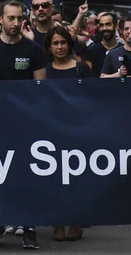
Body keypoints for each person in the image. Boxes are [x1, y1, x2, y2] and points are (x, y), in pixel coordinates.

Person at [0, 0, 45, 250]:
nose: (15, 23)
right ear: (0, 20)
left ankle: (29, 227)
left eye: (18, 18)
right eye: (10, 18)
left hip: (25, 124)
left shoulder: (34, 49)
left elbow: (41, 90)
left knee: (26, 176)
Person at [43, 26, 91, 241]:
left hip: (78, 131)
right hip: (51, 132)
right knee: (54, 180)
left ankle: (76, 221)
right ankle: (57, 222)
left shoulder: (82, 69)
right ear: (49, 47)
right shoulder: (44, 71)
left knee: (77, 179)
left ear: (69, 45)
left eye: (63, 42)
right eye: (55, 43)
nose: (59, 47)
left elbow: (93, 99)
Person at [85, 13, 122, 77]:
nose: (104, 28)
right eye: (101, 25)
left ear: (116, 26)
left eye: (108, 24)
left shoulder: (123, 49)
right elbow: (88, 78)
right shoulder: (92, 50)